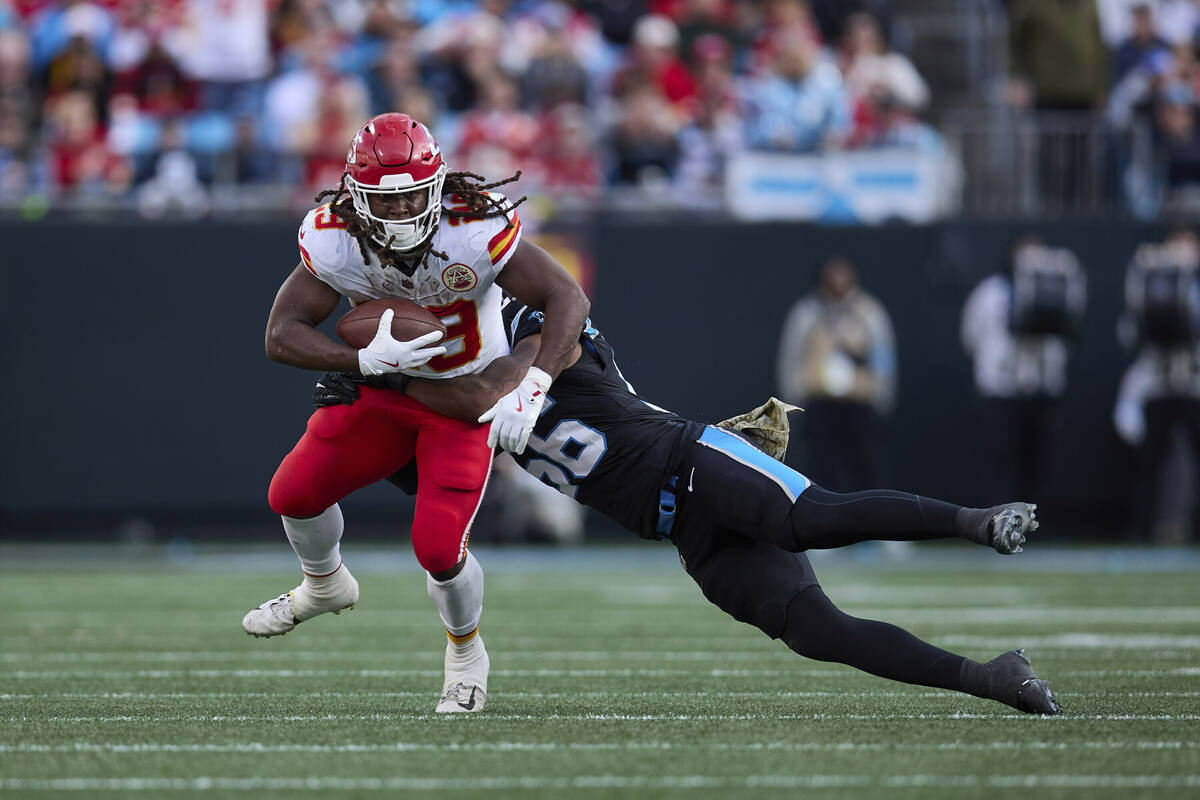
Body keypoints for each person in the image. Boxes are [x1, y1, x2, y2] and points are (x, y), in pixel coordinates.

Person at [311, 298, 1062, 715]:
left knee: (813, 517)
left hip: (691, 460)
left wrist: (408, 380)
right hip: (678, 529)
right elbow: (424, 482)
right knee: (814, 629)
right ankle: (991, 677)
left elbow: (538, 355)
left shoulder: (536, 331)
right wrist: (376, 406)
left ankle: (977, 520)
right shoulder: (451, 390)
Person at [242, 112, 590, 715]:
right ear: (356, 197)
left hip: (461, 400)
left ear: (438, 186)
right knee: (291, 493)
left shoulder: (474, 226)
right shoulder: (334, 237)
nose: (401, 215)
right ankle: (324, 585)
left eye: (412, 199)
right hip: (387, 390)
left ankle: (465, 652)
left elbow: (567, 296)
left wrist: (534, 382)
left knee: (436, 547)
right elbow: (280, 335)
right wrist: (361, 361)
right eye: (385, 201)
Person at [961, 238, 1087, 502]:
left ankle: (1035, 523)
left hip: (1042, 387)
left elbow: (1071, 328)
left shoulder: (1059, 286)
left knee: (1037, 459)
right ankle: (997, 518)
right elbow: (971, 335)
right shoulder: (990, 292)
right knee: (1000, 457)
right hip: (999, 387)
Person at [776, 258, 896, 493]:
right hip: (820, 404)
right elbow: (791, 357)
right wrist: (792, 401)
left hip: (859, 405)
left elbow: (883, 357)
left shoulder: (869, 312)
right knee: (821, 467)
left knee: (864, 466)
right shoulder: (807, 312)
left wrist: (883, 397)